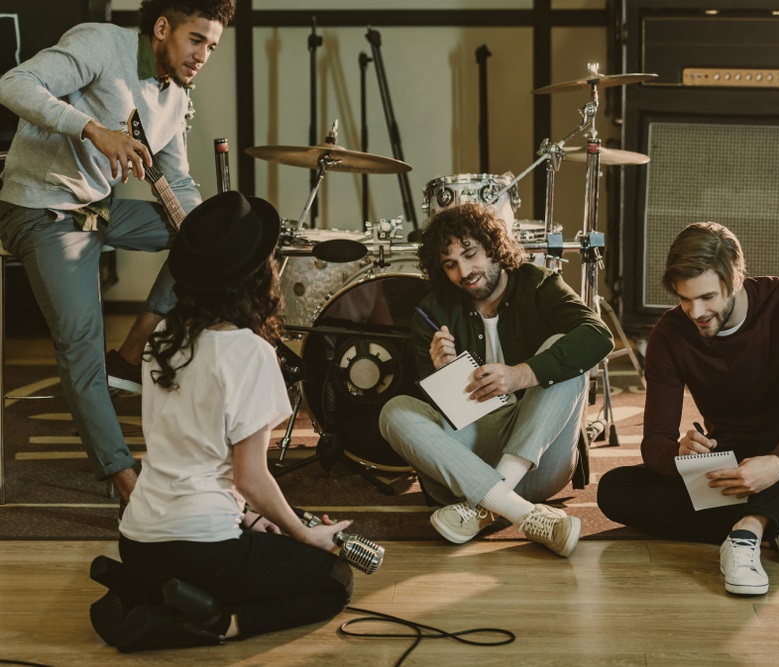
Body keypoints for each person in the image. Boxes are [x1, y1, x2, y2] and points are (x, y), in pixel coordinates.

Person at [0, 0, 235, 507]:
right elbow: (13, 84)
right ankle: (125, 481)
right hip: (42, 211)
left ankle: (133, 352)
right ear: (162, 26)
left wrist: (203, 230)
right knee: (81, 344)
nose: (203, 56)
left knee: (200, 238)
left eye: (212, 46)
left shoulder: (176, 94)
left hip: (97, 213)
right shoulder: (99, 43)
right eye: (196, 40)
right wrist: (94, 130)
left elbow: (176, 178)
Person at [107, 191, 354, 652]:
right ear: (258, 277)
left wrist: (246, 517)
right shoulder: (250, 352)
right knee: (334, 581)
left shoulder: (164, 336)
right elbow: (251, 476)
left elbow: (192, 453)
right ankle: (212, 623)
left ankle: (140, 589)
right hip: (200, 547)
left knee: (267, 550)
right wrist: (304, 534)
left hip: (136, 540)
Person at [597, 222, 779, 595]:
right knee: (614, 491)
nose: (695, 311)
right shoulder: (669, 336)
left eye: (707, 297)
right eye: (684, 299)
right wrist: (678, 452)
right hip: (730, 474)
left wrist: (778, 463)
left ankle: (746, 533)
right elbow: (654, 443)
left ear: (735, 277)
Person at [379, 203, 614, 557]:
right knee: (394, 411)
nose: (464, 271)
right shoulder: (433, 311)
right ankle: (521, 512)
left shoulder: (539, 284)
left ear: (493, 246)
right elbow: (442, 424)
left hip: (539, 457)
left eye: (470, 254)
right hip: (470, 457)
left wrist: (521, 374)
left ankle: (484, 504)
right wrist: (442, 374)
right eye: (450, 264)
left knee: (562, 352)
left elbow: (599, 336)